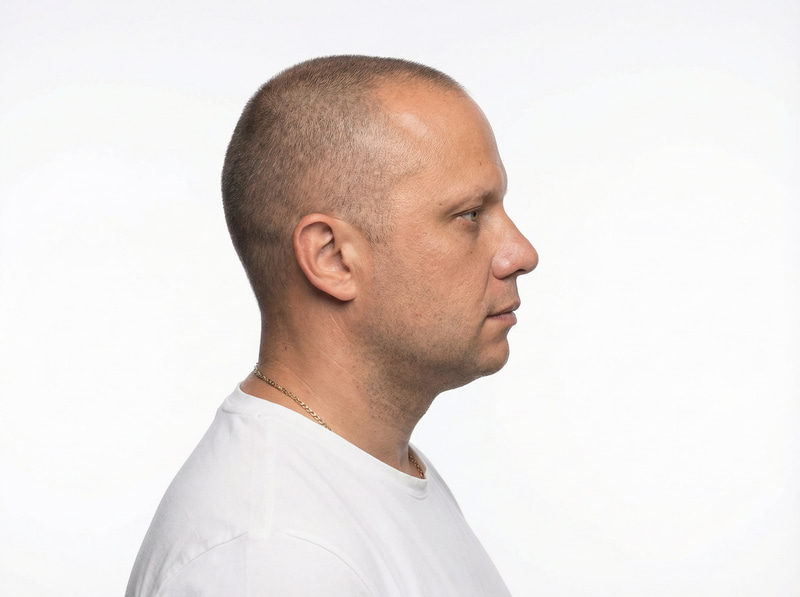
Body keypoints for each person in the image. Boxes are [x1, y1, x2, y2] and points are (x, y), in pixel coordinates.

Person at [126, 55, 538, 597]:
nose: (521, 254)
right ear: (332, 258)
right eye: (469, 215)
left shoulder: (371, 469)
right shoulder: (274, 557)